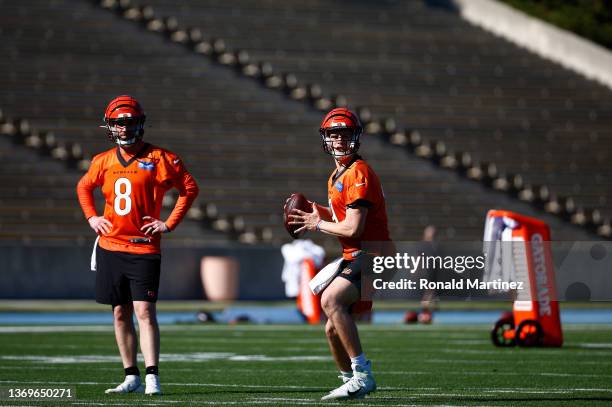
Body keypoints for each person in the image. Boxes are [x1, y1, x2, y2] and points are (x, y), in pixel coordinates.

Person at [76, 95, 199, 395]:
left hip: (143, 247)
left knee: (145, 311)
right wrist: (92, 217)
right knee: (120, 312)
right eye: (118, 123)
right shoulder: (102, 161)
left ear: (140, 123)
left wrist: (168, 223)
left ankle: (153, 375)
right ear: (110, 127)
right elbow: (83, 186)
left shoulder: (160, 158)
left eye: (129, 122)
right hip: (110, 246)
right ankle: (131, 375)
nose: (124, 128)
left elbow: (189, 188)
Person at [289, 107, 392, 400]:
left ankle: (362, 375)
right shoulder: (337, 174)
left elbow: (353, 228)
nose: (339, 140)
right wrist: (315, 210)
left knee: (331, 299)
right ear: (326, 139)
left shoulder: (358, 172)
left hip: (374, 254)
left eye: (345, 135)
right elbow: (341, 215)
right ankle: (349, 380)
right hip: (356, 255)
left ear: (355, 138)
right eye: (334, 135)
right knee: (332, 330)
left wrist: (317, 223)